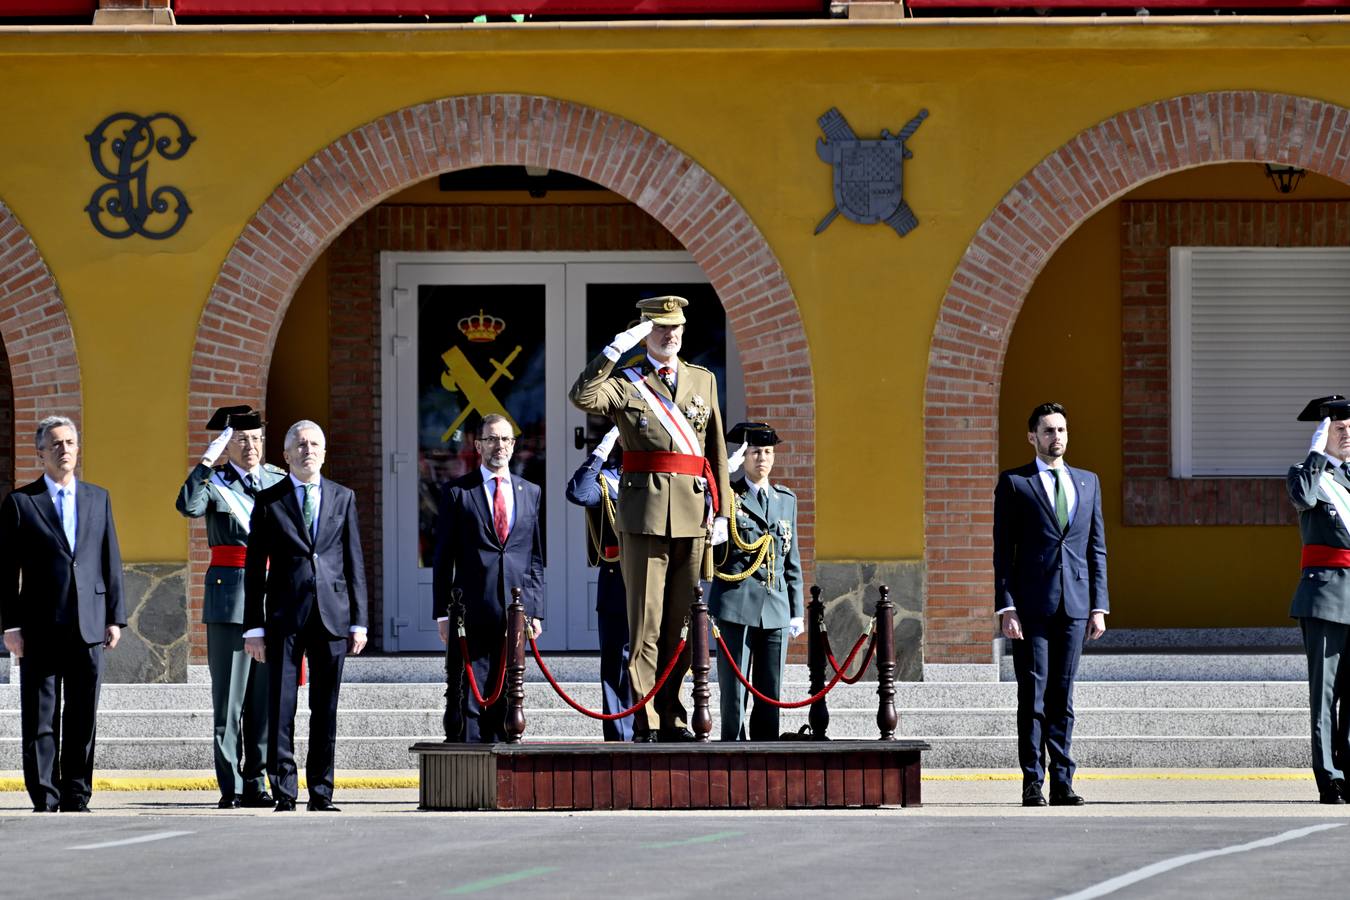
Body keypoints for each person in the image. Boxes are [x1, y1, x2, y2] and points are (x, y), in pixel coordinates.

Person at [569, 295, 731, 742]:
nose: (671, 334)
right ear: (645, 332)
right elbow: (582, 396)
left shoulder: (703, 380)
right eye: (660, 328)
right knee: (644, 626)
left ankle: (672, 711)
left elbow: (714, 450)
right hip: (643, 517)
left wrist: (723, 512)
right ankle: (645, 717)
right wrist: (614, 350)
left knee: (680, 625)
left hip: (693, 516)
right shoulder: (626, 382)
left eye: (676, 327)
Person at [0, 415, 125, 812]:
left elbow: (111, 560)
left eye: (70, 442)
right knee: (41, 714)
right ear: (40, 452)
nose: (64, 450)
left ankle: (76, 792)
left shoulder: (97, 498)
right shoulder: (22, 502)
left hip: (89, 624)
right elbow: (6, 570)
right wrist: (10, 625)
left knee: (83, 713)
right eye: (55, 444)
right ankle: (45, 794)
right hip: (40, 625)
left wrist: (114, 618)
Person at [242, 420, 368, 812]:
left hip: (332, 615)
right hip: (283, 616)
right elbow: (252, 569)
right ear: (286, 454)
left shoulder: (343, 497)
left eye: (314, 444)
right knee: (281, 706)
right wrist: (253, 627)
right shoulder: (269, 501)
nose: (307, 450)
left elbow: (354, 562)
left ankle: (321, 791)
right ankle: (284, 790)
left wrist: (359, 621)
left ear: (324, 453)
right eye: (300, 444)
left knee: (325, 708)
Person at [994, 401, 1108, 807]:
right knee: (1034, 694)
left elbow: (1096, 549)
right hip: (1030, 608)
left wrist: (1099, 606)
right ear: (1032, 437)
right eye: (1047, 431)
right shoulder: (1015, 483)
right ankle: (1031, 782)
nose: (1055, 437)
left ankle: (1063, 781)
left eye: (1061, 430)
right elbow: (1002, 551)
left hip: (1075, 606)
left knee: (1064, 694)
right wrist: (1006, 607)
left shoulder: (1088, 482)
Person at [176, 405, 285, 809]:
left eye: (256, 439)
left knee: (263, 699)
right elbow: (187, 505)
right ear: (227, 445)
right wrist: (207, 460)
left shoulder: (276, 478)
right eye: (242, 440)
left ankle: (257, 780)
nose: (251, 446)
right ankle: (232, 784)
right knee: (230, 699)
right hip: (230, 598)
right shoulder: (214, 482)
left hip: (271, 597)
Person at [433, 414, 544, 743]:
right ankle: (469, 766)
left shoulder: (530, 492)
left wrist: (536, 610)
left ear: (513, 445)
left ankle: (504, 764)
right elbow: (443, 557)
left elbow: (534, 557)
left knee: (510, 689)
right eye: (492, 439)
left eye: (506, 439)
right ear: (478, 444)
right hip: (471, 608)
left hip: (515, 610)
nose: (499, 446)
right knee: (468, 690)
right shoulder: (457, 492)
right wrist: (442, 612)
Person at [708, 422, 804, 742]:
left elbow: (791, 559)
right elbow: (709, 528)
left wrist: (796, 610)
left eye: (767, 452)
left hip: (775, 606)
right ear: (743, 457)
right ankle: (732, 749)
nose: (761, 458)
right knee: (734, 692)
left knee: (770, 689)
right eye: (754, 452)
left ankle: (766, 752)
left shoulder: (785, 499)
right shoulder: (728, 495)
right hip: (736, 603)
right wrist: (720, 482)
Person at [1288, 395, 1350, 804]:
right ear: (1321, 433)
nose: (1347, 433)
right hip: (1325, 596)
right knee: (1324, 694)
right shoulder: (1304, 474)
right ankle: (1329, 776)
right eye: (1338, 428)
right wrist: (1314, 454)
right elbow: (1304, 498)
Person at [565, 425, 634, 742]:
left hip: (652, 585)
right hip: (616, 583)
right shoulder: (607, 480)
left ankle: (650, 732)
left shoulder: (659, 478)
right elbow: (578, 492)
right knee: (616, 664)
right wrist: (601, 451)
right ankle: (620, 739)